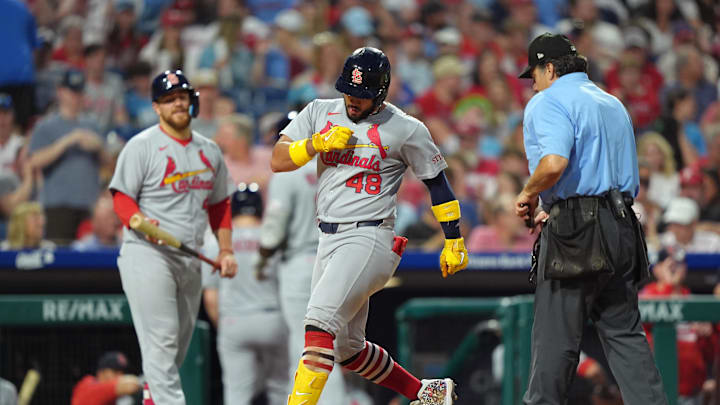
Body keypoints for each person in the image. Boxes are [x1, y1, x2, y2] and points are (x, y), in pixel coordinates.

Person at [271, 47, 467, 405]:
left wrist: (453, 238)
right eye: (349, 90)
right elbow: (278, 159)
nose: (353, 100)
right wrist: (315, 143)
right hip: (327, 238)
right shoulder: (319, 111)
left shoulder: (406, 128)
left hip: (369, 234)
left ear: (380, 92)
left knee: (318, 323)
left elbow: (437, 183)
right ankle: (426, 393)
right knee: (348, 349)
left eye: (361, 95)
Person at [513, 33, 668, 405]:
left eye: (534, 72)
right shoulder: (611, 102)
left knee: (554, 340)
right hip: (623, 225)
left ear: (550, 68)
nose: (531, 82)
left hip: (576, 233)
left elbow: (554, 163)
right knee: (626, 336)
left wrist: (529, 193)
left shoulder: (547, 100)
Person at [109, 70, 238, 405]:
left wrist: (225, 250)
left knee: (175, 350)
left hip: (190, 255)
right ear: (156, 107)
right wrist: (135, 219)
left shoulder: (209, 151)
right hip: (148, 253)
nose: (177, 103)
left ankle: (152, 398)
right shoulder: (141, 146)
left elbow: (220, 204)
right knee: (163, 341)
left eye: (181, 96)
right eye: (169, 99)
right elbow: (122, 197)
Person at [255, 113, 348, 405]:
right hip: (336, 260)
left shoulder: (289, 172)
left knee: (307, 344)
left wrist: (262, 257)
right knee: (332, 342)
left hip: (301, 264)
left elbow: (274, 227)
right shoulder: (335, 167)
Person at [202, 184, 288, 405]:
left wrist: (228, 330)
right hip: (273, 318)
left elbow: (211, 297)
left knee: (237, 394)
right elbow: (287, 287)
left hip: (234, 319)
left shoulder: (216, 241)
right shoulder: (274, 237)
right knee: (282, 389)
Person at [28, 69, 105, 245]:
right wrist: (67, 141)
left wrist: (99, 147)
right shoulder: (46, 126)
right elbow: (33, 161)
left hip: (88, 205)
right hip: (57, 207)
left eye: (79, 92)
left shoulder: (92, 125)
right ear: (60, 91)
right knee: (59, 260)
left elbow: (108, 162)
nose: (75, 97)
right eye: (71, 91)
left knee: (90, 261)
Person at [70, 351, 142, 405]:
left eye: (122, 373)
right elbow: (130, 385)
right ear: (101, 373)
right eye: (115, 372)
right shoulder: (87, 386)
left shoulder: (115, 397)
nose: (120, 376)